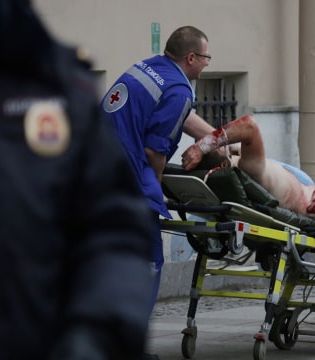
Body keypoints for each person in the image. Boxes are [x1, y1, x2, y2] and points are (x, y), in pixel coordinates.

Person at [0, 1, 154, 359]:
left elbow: (113, 233)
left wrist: (99, 334)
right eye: (205, 59)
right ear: (192, 59)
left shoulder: (57, 91)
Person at [100, 25, 215, 359]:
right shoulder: (181, 89)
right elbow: (154, 151)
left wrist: (218, 139)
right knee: (148, 262)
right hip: (127, 183)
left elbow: (181, 117)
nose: (208, 64)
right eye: (206, 58)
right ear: (191, 57)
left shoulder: (147, 67)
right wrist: (156, 191)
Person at [181, 114, 315, 224]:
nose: (227, 148)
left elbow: (235, 145)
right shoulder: (250, 166)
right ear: (225, 162)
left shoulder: (232, 173)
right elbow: (249, 125)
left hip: (311, 196)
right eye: (223, 149)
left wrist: (215, 148)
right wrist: (204, 145)